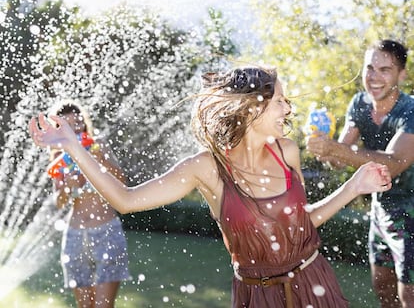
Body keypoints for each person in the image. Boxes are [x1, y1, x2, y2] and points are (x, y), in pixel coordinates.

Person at [29, 67, 392, 308]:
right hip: (258, 294)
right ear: (252, 108)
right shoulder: (206, 168)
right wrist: (72, 146)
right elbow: (125, 199)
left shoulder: (288, 152)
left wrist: (354, 186)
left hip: (315, 282)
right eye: (280, 100)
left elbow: (302, 222)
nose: (288, 108)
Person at [306, 39, 414, 308]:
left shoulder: (410, 111)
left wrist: (336, 150)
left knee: (409, 297)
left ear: (402, 74)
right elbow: (339, 160)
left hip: (412, 216)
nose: (374, 77)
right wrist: (324, 145)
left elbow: (396, 162)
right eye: (369, 68)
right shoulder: (359, 103)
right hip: (381, 213)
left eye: (385, 70)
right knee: (384, 291)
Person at [47, 100, 131, 308]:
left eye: (78, 123)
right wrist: (67, 186)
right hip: (75, 236)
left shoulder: (97, 145)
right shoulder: (60, 158)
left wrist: (99, 159)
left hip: (106, 231)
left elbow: (123, 182)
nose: (75, 128)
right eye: (68, 125)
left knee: (103, 306)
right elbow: (59, 202)